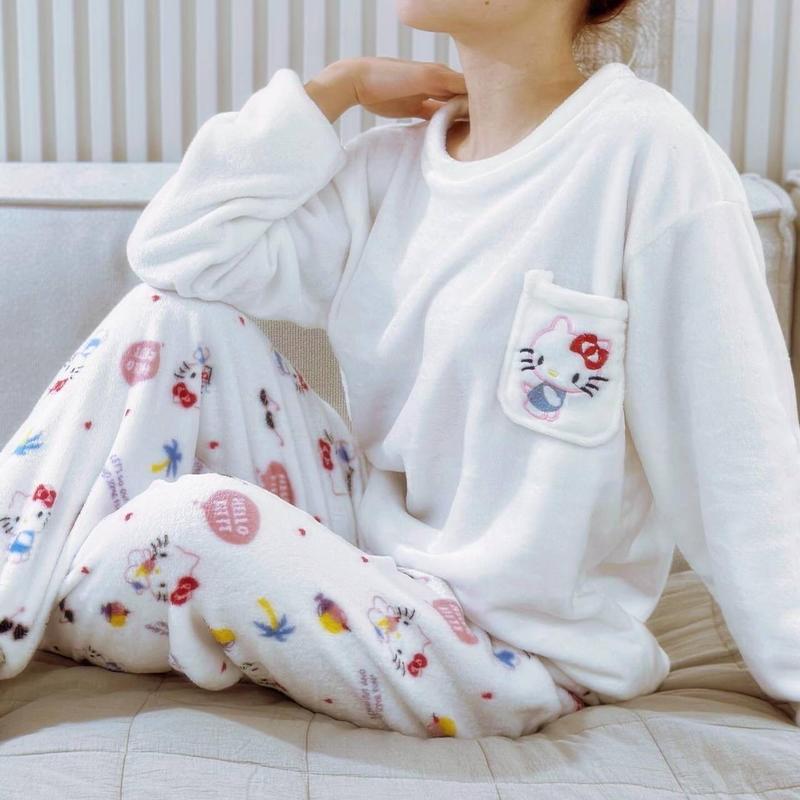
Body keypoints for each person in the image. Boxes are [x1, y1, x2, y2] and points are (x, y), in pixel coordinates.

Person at [2, 0, 799, 739]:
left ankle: (35, 586)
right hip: (370, 556)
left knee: (193, 522)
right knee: (169, 317)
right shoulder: (393, 166)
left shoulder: (648, 155)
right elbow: (178, 252)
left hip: (503, 653)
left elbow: (738, 451)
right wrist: (332, 90)